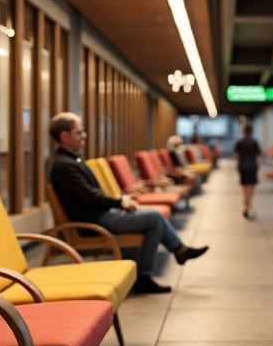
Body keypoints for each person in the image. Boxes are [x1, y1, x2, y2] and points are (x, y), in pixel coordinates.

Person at [49, 112, 208, 294]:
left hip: (99, 214)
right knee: (154, 218)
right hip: (94, 220)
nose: (84, 135)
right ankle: (152, 270)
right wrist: (119, 202)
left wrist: (121, 200)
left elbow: (92, 195)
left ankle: (164, 261)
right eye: (79, 132)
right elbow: (91, 197)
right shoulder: (65, 165)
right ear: (64, 136)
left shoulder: (70, 160)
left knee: (152, 220)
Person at [234, 122, 261, 219]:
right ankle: (249, 206)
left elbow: (237, 156)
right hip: (252, 166)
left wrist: (237, 166)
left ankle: (246, 207)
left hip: (243, 166)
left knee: (245, 187)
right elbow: (258, 156)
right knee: (251, 186)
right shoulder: (254, 142)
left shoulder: (239, 142)